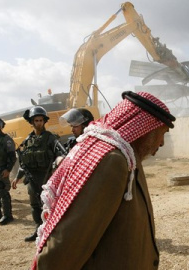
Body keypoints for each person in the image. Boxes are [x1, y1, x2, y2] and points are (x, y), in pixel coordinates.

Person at [32, 91, 176, 270]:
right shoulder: (112, 161)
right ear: (146, 130)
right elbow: (68, 244)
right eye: (161, 133)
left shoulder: (128, 158)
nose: (162, 143)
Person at [12, 106, 60, 242]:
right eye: (36, 120)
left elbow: (60, 156)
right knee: (34, 206)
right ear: (31, 122)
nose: (39, 123)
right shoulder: (27, 141)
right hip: (32, 178)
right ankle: (38, 230)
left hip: (47, 177)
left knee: (50, 205)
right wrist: (17, 177)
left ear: (44, 122)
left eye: (41, 120)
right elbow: (23, 162)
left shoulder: (51, 138)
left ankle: (52, 231)